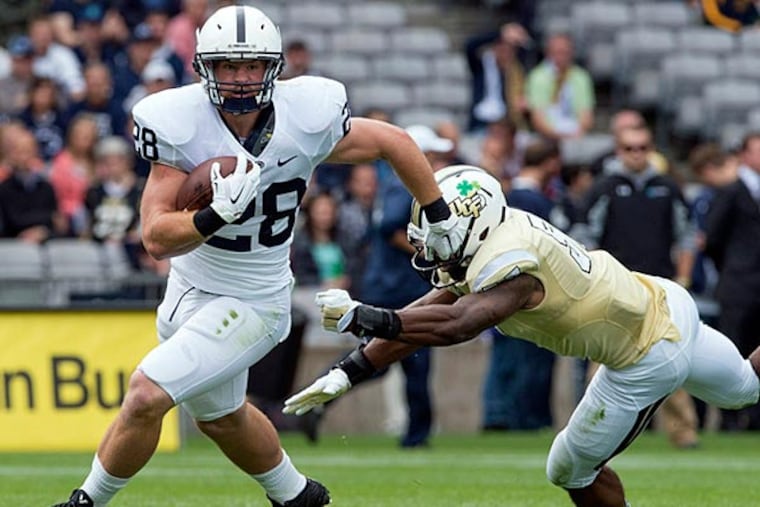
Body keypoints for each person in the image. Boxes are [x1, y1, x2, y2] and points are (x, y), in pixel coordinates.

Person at [50, 5, 469, 507]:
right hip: (186, 290)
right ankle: (298, 497)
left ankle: (84, 503)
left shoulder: (307, 116)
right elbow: (157, 237)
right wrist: (212, 217)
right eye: (228, 66)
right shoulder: (177, 121)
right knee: (222, 419)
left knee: (146, 394)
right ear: (205, 67)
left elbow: (395, 142)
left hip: (254, 300)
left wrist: (439, 214)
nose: (241, 79)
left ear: (273, 67)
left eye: (251, 66)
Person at [284, 164, 760, 507]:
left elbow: (457, 325)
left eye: (442, 235)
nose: (434, 247)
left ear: (475, 223)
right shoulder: (489, 238)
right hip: (661, 297)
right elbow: (435, 308)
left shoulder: (511, 262)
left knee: (569, 470)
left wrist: (363, 318)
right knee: (745, 387)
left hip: (645, 352)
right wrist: (351, 369)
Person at [705, 132, 760, 431]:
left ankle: (755, 419)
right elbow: (712, 239)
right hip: (738, 286)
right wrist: (732, 268)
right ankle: (729, 418)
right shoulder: (731, 192)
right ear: (744, 156)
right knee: (733, 351)